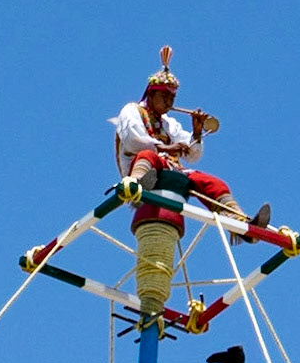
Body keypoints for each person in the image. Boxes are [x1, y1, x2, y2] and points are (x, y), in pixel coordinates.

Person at [109, 47, 269, 316]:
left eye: (173, 97)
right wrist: (166, 149)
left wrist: (196, 133)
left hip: (170, 175)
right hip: (145, 171)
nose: (170, 102)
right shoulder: (132, 110)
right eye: (165, 96)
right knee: (151, 154)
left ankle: (242, 225)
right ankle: (134, 188)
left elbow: (192, 154)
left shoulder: (170, 124)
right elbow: (135, 140)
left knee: (210, 182)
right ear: (151, 94)